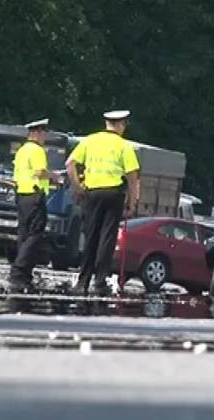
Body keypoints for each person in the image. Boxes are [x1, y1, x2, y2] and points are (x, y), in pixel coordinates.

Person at [66, 110, 140, 296]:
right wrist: (132, 201)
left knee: (90, 237)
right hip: (113, 194)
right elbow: (132, 177)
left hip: (92, 194)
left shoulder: (90, 140)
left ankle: (82, 282)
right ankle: (99, 282)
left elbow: (70, 164)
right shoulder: (124, 146)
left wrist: (77, 187)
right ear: (120, 124)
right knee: (107, 238)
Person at [9, 118, 62, 292]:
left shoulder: (22, 150)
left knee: (24, 235)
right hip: (34, 195)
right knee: (35, 235)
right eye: (43, 132)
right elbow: (39, 173)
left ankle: (24, 275)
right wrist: (54, 176)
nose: (45, 136)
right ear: (36, 132)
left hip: (21, 194)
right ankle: (19, 270)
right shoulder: (37, 150)